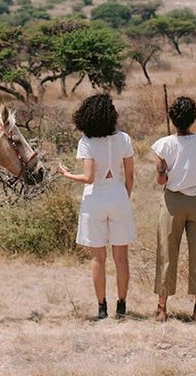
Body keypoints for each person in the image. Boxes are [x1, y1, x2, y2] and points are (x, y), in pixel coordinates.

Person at [57, 93, 136, 319]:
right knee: (121, 258)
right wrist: (124, 197)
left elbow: (89, 177)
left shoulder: (86, 142)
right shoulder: (124, 139)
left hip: (94, 200)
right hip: (118, 196)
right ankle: (122, 304)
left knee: (97, 258)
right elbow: (130, 177)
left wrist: (67, 174)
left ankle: (102, 307)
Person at [151, 96, 196, 322]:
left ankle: (161, 308)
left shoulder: (164, 144)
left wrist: (162, 172)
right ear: (193, 118)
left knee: (166, 253)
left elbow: (161, 181)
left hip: (172, 203)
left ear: (173, 118)